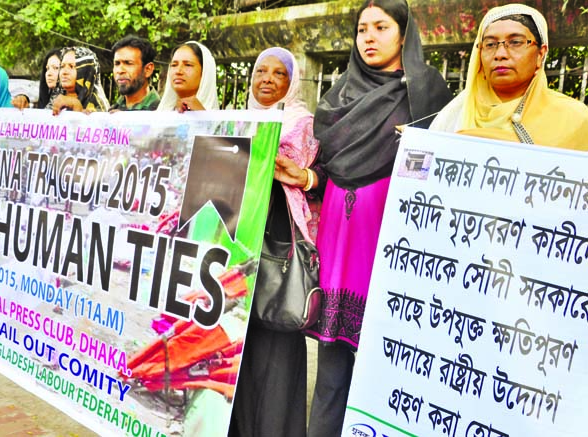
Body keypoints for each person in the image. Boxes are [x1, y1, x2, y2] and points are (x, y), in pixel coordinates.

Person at [275, 1, 452, 434]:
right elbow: (330, 167)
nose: (369, 37)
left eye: (381, 27)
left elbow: (442, 171)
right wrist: (308, 178)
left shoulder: (429, 94)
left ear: (404, 33)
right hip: (340, 236)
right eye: (362, 29)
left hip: (391, 240)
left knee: (386, 365)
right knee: (331, 370)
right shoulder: (339, 94)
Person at [229, 47, 319, 437]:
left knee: (275, 347)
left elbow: (304, 180)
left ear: (292, 82)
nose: (266, 79)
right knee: (240, 350)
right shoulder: (237, 120)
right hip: (239, 246)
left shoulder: (302, 124)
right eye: (260, 71)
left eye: (277, 73)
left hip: (277, 248)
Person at [430, 4, 588, 148]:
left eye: (515, 42)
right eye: (490, 44)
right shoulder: (454, 115)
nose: (500, 54)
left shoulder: (575, 119)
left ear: (540, 54)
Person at [157, 41, 219, 111]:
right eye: (174, 65)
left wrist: (202, 115)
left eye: (188, 65)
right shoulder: (158, 118)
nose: (178, 71)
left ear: (204, 72)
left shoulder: (222, 121)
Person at [109, 35, 160, 111]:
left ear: (148, 69)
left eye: (128, 63)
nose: (120, 70)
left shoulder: (163, 111)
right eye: (117, 63)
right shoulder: (112, 111)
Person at [52, 47, 109, 114]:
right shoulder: (56, 99)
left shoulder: (98, 105)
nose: (64, 72)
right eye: (62, 66)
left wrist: (76, 106)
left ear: (86, 72)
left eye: (71, 66)